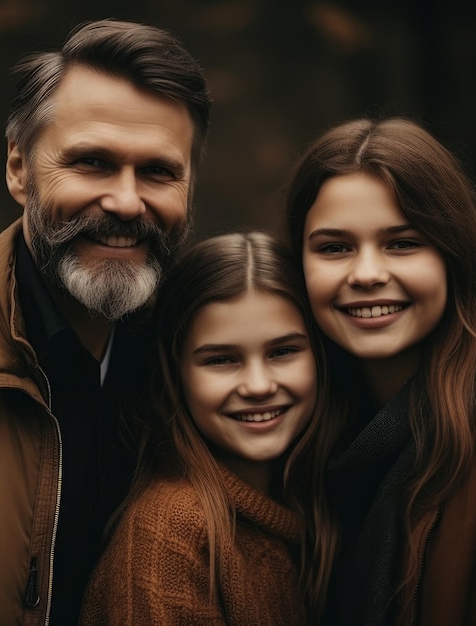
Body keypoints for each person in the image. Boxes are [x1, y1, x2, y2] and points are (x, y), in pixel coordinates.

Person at [0, 19, 211, 626]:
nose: (125, 201)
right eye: (92, 162)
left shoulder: (202, 374)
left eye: (159, 172)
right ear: (19, 169)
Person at [284, 116, 476, 625]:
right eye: (334, 247)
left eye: (403, 242)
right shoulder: (298, 441)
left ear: (454, 256)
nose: (367, 273)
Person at [79, 231, 332, 625]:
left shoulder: (317, 506)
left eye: (283, 352)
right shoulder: (171, 536)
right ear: (175, 374)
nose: (258, 386)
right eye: (221, 360)